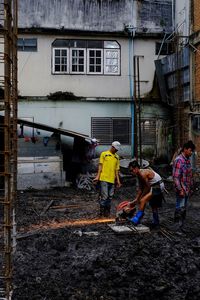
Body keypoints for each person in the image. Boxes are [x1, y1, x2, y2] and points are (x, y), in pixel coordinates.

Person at [128, 160, 165, 227]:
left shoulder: (143, 174)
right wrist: (136, 199)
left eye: (132, 170)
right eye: (131, 171)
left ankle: (137, 219)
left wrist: (141, 198)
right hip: (153, 185)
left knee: (143, 200)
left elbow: (147, 187)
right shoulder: (138, 174)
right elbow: (140, 188)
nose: (132, 172)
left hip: (157, 186)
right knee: (153, 205)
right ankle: (156, 222)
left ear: (136, 168)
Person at [93, 141, 122, 217]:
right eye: (115, 149)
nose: (116, 150)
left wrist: (118, 181)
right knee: (105, 196)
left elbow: (117, 170)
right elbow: (100, 166)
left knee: (110, 197)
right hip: (104, 178)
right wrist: (97, 177)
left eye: (117, 149)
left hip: (112, 180)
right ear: (112, 147)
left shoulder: (117, 157)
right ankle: (101, 213)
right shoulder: (104, 154)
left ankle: (107, 213)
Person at [172, 140, 195, 229]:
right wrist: (180, 189)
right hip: (181, 189)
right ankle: (177, 226)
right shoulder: (179, 160)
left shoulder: (187, 160)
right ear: (185, 149)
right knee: (180, 207)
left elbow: (189, 175)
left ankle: (181, 226)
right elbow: (176, 177)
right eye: (190, 150)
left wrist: (191, 187)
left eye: (192, 151)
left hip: (186, 188)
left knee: (183, 207)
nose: (191, 152)